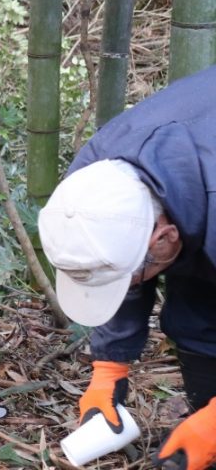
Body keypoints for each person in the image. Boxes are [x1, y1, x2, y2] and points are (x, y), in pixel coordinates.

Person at [37, 65, 216, 470]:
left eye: (130, 276)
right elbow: (117, 260)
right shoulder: (92, 185)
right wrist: (109, 367)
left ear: (165, 239)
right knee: (197, 324)